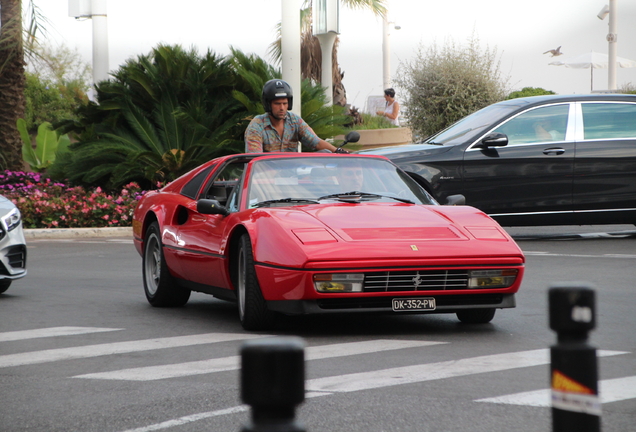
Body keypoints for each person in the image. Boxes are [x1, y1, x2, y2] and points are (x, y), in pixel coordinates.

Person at [245, 79, 346, 153]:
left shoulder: (294, 121)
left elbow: (316, 142)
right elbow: (255, 157)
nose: (282, 108)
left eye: (284, 103)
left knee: (325, 153)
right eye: (277, 104)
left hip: (292, 176)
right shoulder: (257, 125)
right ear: (268, 104)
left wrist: (338, 151)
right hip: (266, 178)